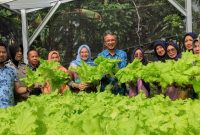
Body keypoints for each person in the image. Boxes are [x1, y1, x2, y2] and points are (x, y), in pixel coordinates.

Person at [98, 30, 128, 95]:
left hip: (121, 90)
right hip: (105, 91)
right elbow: (100, 74)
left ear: (116, 41)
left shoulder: (122, 54)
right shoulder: (101, 56)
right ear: (105, 43)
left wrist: (111, 70)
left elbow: (123, 70)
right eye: (108, 41)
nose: (110, 42)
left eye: (112, 40)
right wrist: (105, 73)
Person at [0, 42, 28, 108]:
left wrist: (29, 88)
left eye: (3, 52)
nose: (1, 54)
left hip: (9, 111)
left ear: (7, 53)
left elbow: (17, 89)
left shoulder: (12, 70)